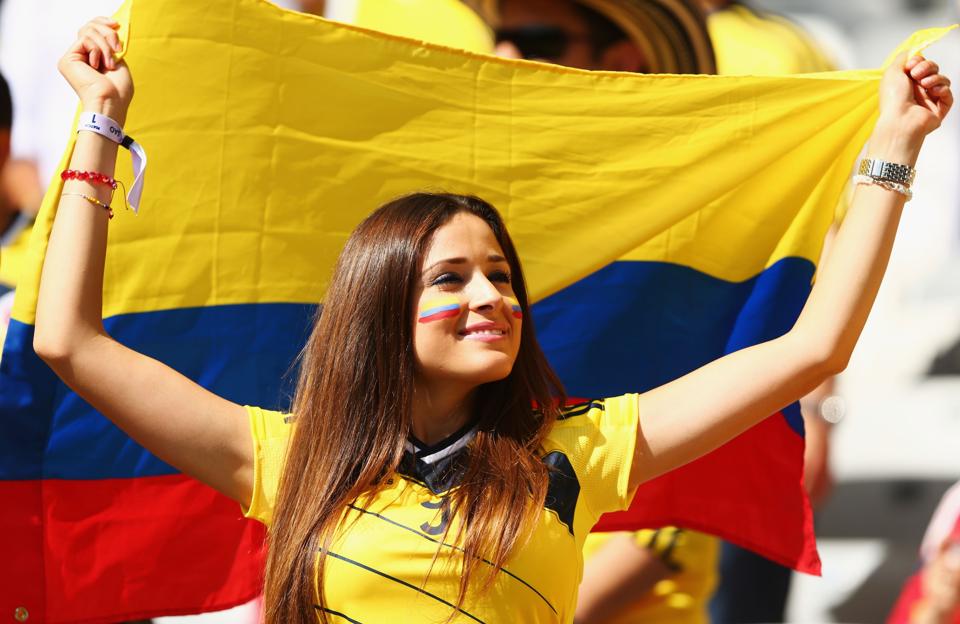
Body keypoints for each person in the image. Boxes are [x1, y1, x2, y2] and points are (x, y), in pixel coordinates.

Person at [35, 15, 952, 624]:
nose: (492, 298)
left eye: (503, 275)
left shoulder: (580, 450)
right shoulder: (287, 456)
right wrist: (102, 121)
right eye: (454, 279)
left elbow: (811, 347)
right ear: (381, 313)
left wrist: (892, 148)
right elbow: (68, 342)